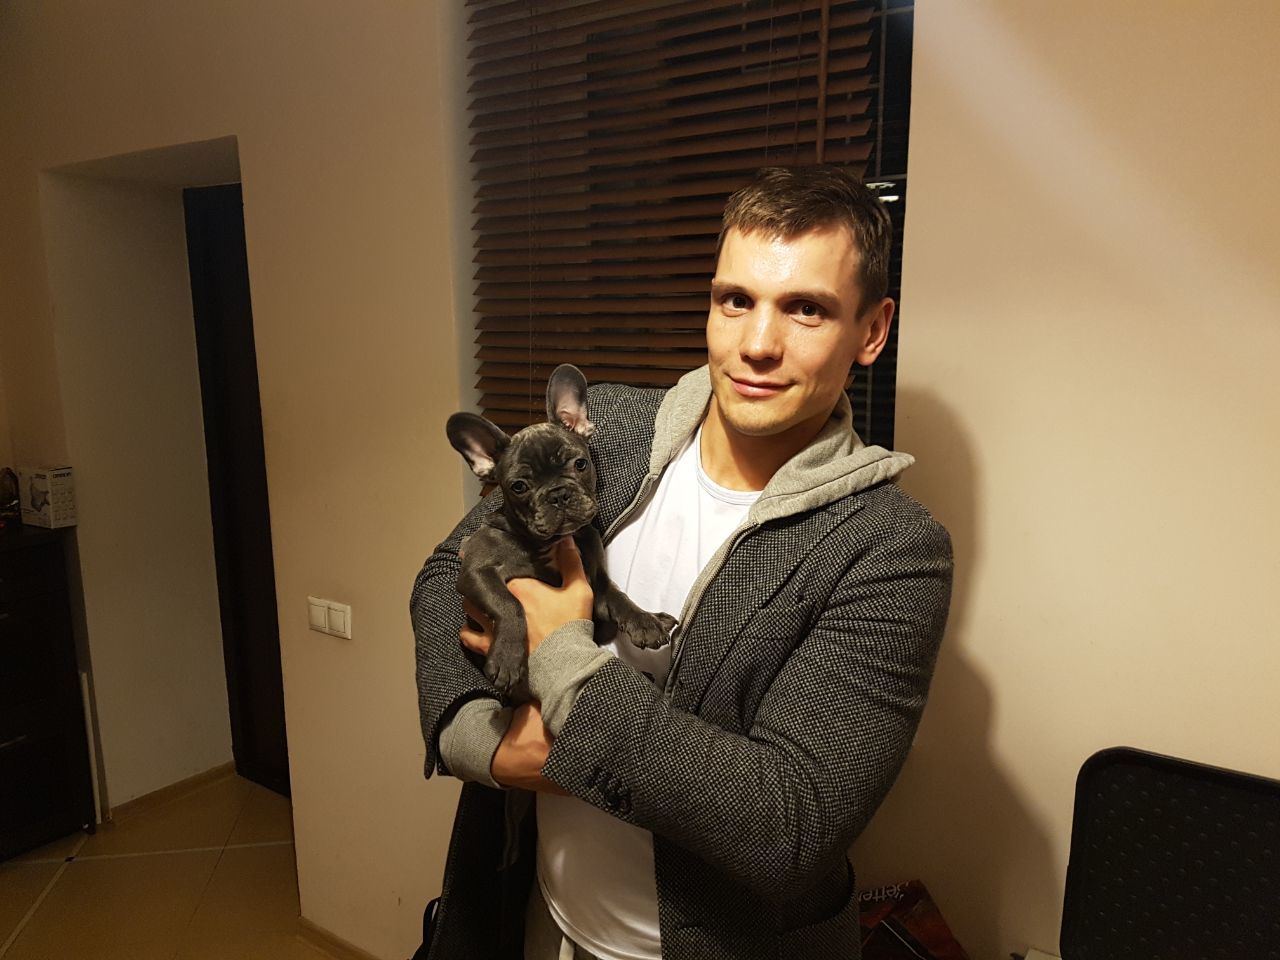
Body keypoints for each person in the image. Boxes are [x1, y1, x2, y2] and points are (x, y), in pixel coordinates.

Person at [411, 165, 954, 960]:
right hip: (535, 920)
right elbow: (445, 571)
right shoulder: (609, 432)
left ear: (871, 331)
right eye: (735, 300)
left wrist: (562, 659)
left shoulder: (891, 548)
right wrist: (479, 741)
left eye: (805, 308)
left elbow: (789, 823)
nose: (757, 344)